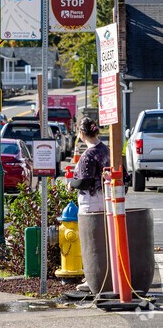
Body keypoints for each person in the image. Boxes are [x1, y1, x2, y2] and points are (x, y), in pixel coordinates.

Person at [67, 117, 110, 292]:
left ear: (81, 133)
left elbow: (84, 181)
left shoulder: (88, 155)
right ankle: (105, 275)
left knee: (90, 243)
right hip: (105, 200)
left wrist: (71, 183)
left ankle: (91, 279)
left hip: (89, 202)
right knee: (103, 242)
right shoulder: (105, 150)